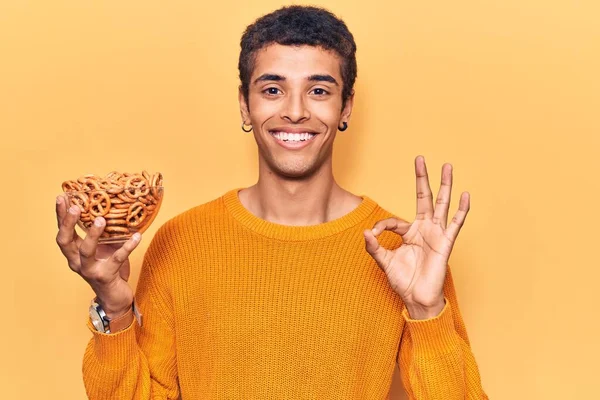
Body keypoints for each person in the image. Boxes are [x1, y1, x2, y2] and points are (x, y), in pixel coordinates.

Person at [55, 5, 488, 399]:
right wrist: (114, 306)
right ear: (245, 105)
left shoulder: (404, 252)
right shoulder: (181, 242)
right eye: (272, 90)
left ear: (346, 107)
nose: (295, 111)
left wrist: (427, 311)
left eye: (319, 91)